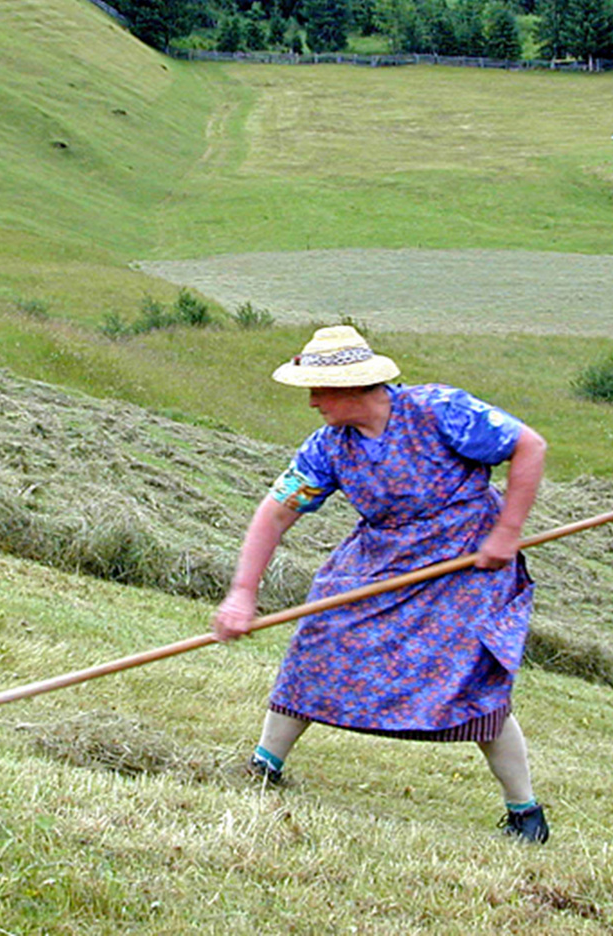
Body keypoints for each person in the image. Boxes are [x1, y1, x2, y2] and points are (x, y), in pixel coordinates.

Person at [212, 324, 550, 843]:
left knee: (471, 682)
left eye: (319, 391)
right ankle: (264, 767)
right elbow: (275, 514)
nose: (312, 403)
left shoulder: (441, 411)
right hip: (381, 558)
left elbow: (529, 446)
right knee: (318, 637)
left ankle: (525, 815)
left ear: (351, 387)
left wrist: (507, 534)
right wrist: (242, 592)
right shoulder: (329, 447)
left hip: (466, 566)